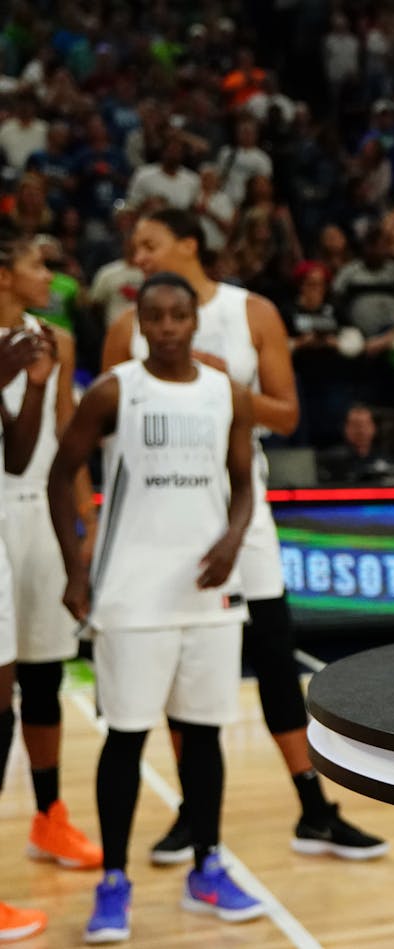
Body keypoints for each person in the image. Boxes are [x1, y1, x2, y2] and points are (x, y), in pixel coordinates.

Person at [98, 208, 388, 865]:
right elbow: (106, 435)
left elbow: (286, 414)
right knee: (179, 661)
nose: (138, 255)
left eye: (149, 243)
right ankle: (192, 811)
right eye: (133, 246)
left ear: (188, 243)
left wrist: (213, 388)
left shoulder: (251, 312)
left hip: (238, 503)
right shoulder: (126, 328)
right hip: (160, 514)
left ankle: (314, 808)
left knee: (277, 656)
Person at [50, 272, 264, 942]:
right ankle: (113, 880)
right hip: (133, 591)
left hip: (206, 590)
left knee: (202, 734)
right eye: (156, 317)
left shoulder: (224, 390)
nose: (168, 326)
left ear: (196, 319)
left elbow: (241, 479)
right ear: (140, 321)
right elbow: (62, 474)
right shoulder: (116, 389)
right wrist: (75, 565)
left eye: (179, 315)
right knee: (128, 738)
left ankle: (207, 865)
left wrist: (234, 537)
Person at [0, 221, 104, 875]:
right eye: (40, 266)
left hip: (40, 509)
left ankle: (50, 816)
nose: (51, 278)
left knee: (43, 674)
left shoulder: (53, 339)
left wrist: (85, 515)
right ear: (6, 274)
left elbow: (66, 436)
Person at [0, 241, 54, 944]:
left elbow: (16, 454)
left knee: (5, 704)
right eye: (38, 263)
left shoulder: (38, 342)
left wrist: (35, 382)